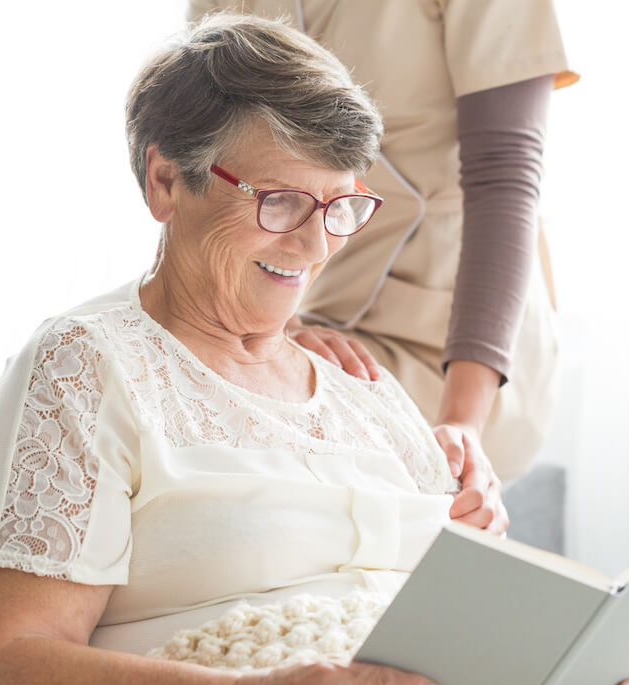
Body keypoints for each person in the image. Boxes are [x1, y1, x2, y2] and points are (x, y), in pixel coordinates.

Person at [0, 15, 629, 685]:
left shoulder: (367, 392)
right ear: (165, 180)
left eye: (340, 206)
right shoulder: (86, 368)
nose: (312, 245)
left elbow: (479, 650)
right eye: (279, 201)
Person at [188, 1, 579, 500]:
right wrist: (280, 328)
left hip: (460, 343)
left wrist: (462, 425)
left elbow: (504, 176)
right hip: (313, 311)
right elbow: (213, 162)